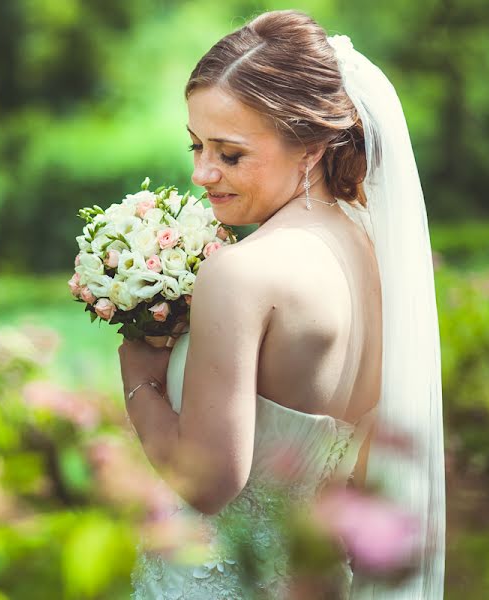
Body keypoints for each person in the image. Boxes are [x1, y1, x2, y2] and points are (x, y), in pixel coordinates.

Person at [118, 9, 445, 599]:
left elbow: (211, 483)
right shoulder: (371, 255)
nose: (201, 172)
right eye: (196, 146)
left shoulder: (242, 273)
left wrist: (140, 383)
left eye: (230, 154)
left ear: (312, 148)